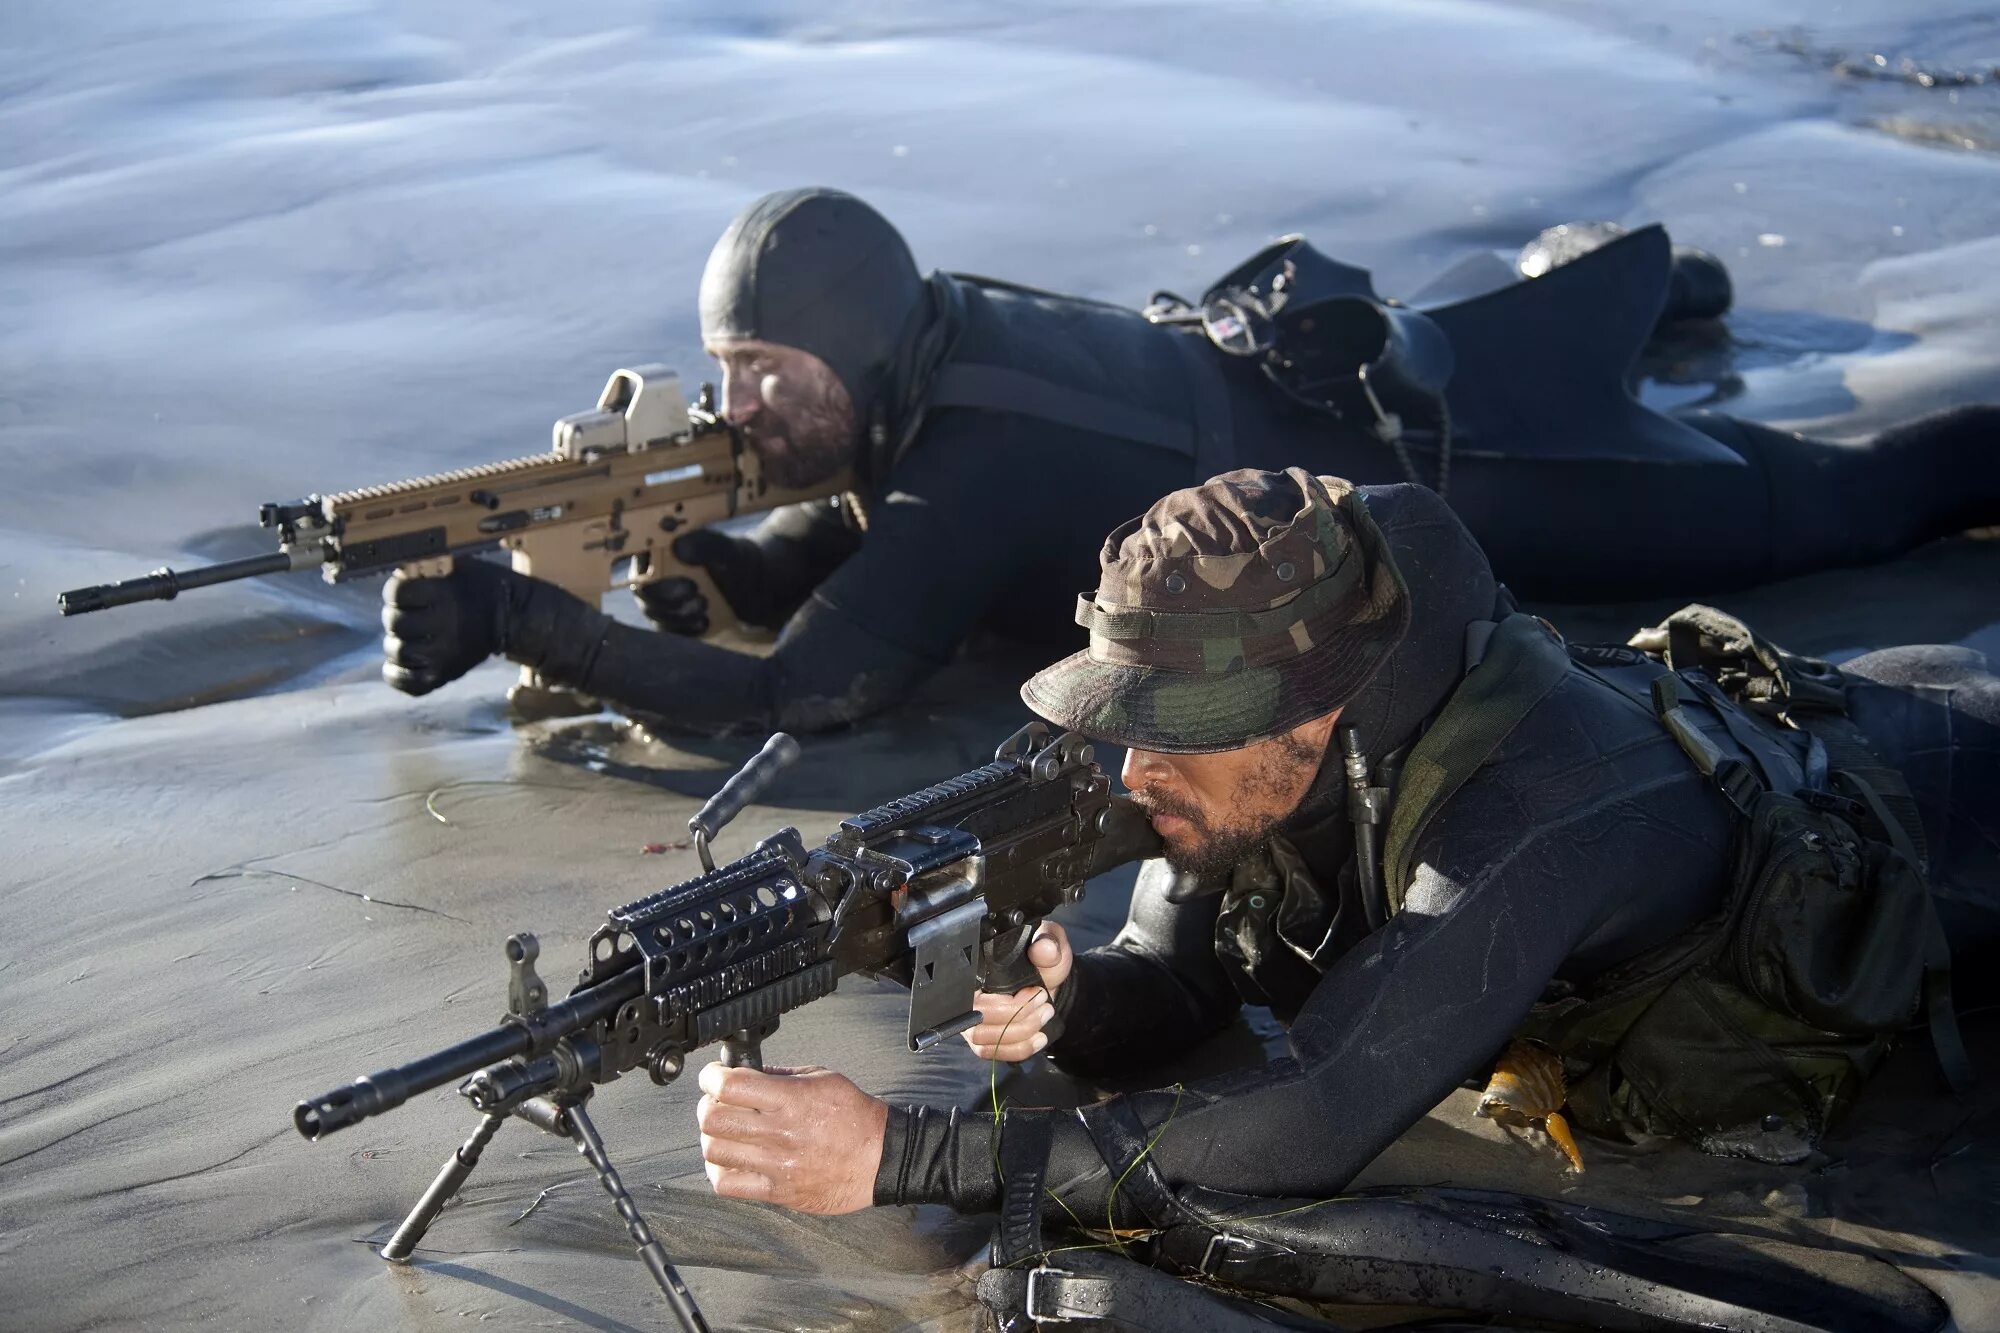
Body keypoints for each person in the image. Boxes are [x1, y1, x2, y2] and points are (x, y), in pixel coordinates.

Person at [685, 467, 1998, 1250]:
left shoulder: (1541, 806)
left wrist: (906, 1156)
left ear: (1310, 714)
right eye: (1124, 722)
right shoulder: (1278, 714)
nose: (1136, 775)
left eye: (1174, 736)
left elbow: (1311, 1117)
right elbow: (1176, 974)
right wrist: (1074, 998)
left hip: (1956, 804)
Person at [379, 188, 2000, 738]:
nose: (746, 413)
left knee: (1846, 506)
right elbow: (854, 553)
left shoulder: (979, 451)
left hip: (1472, 474)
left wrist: (526, 629)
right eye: (727, 373)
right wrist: (698, 572)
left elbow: (810, 695)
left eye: (773, 379)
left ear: (861, 359)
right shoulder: (937, 359)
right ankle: (1643, 290)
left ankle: (1646, 305)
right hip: (1314, 402)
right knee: (1574, 318)